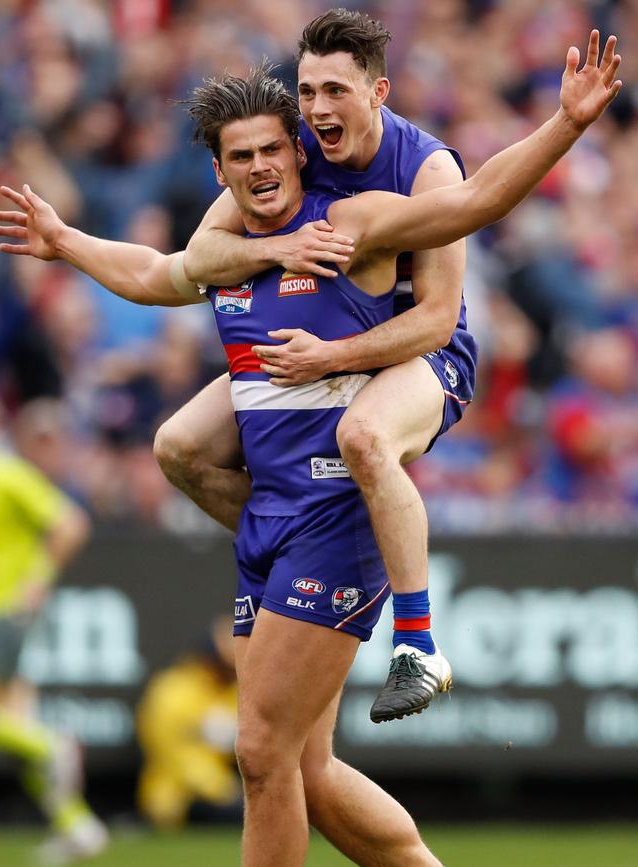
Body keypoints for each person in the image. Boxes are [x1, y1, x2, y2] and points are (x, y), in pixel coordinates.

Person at [0, 32, 622, 867]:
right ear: (220, 173)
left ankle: (419, 638)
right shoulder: (236, 246)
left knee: (259, 748)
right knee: (300, 770)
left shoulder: (351, 221)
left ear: (302, 149)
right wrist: (66, 240)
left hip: (335, 506)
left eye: (270, 150)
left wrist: (566, 125)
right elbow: (157, 271)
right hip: (275, 519)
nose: (260, 166)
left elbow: (468, 217)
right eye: (241, 156)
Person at [162, 9, 471, 723]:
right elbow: (199, 256)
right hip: (323, 353)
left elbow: (435, 320)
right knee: (178, 447)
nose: (317, 109)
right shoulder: (288, 150)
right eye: (307, 91)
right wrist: (277, 251)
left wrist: (329, 356)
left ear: (378, 91)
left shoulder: (427, 168)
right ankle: (310, 541)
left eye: (335, 90)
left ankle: (418, 641)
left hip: (421, 356)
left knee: (362, 437)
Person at [0, 397, 109, 864]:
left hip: (1, 613)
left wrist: (36, 580)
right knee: (11, 722)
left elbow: (70, 524)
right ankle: (77, 826)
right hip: (3, 613)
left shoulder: (4, 472)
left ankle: (51, 745)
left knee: (14, 729)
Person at [136, 617, 241, 829]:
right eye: (226, 666)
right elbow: (174, 756)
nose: (233, 673)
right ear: (208, 659)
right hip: (176, 798)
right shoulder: (172, 691)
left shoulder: (235, 693)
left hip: (226, 790)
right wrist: (222, 790)